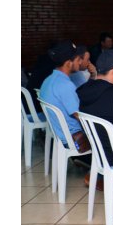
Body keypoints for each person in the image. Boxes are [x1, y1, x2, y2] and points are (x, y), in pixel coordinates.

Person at [39, 40, 93, 183]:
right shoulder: (65, 85)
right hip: (74, 139)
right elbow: (80, 116)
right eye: (78, 59)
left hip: (60, 136)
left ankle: (86, 162)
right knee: (112, 132)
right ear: (69, 62)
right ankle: (99, 175)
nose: (80, 61)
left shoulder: (48, 80)